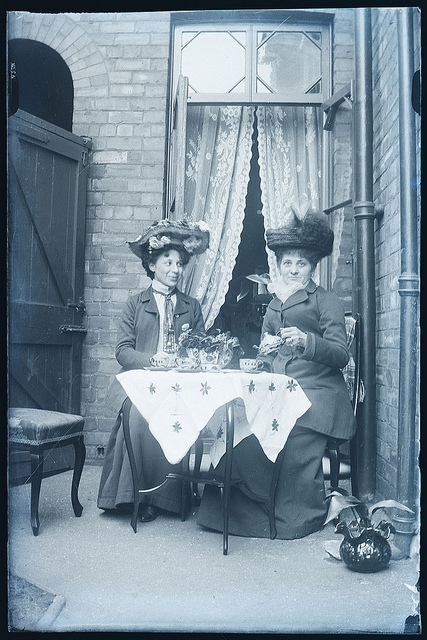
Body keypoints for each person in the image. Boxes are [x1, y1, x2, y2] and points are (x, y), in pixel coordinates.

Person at [197, 211, 356, 539]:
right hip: (278, 394)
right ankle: (234, 512)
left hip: (317, 395)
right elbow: (266, 359)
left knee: (289, 441)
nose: (294, 269)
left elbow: (340, 354)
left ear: (312, 266)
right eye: (287, 263)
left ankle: (294, 517)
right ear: (279, 267)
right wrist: (264, 354)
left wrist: (306, 341)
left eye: (301, 263)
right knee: (238, 433)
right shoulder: (275, 304)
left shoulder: (326, 301)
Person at [97, 219, 209, 522]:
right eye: (167, 262)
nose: (175, 269)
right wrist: (153, 360)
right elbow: (122, 351)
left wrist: (188, 358)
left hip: (180, 384)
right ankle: (135, 497)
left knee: (178, 414)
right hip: (141, 382)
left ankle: (171, 499)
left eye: (179, 263)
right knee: (137, 415)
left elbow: (200, 347)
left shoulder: (192, 306)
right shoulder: (136, 304)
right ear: (152, 264)